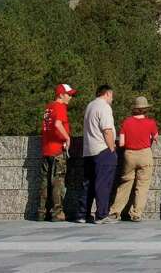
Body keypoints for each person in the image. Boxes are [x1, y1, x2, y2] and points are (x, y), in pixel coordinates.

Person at [107, 96, 158, 222]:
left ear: (134, 109)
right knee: (142, 186)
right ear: (146, 109)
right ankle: (136, 213)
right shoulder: (151, 123)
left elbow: (122, 143)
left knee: (125, 183)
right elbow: (155, 137)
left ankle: (115, 211)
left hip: (129, 154)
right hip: (145, 154)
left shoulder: (127, 122)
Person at [78, 84, 117, 224]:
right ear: (107, 93)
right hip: (102, 149)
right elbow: (107, 129)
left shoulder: (90, 106)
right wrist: (112, 147)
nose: (112, 98)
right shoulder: (104, 107)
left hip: (89, 150)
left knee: (87, 183)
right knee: (103, 183)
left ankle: (83, 214)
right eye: (112, 95)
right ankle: (101, 214)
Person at [40, 83, 76, 221]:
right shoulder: (60, 107)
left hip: (46, 149)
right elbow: (57, 124)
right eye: (69, 94)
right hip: (57, 150)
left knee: (44, 181)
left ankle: (41, 212)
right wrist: (67, 137)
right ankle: (57, 213)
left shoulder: (48, 107)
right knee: (58, 181)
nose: (70, 97)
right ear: (61, 94)